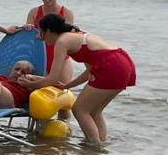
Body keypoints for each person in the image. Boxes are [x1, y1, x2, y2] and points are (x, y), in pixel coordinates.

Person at [35, 14, 136, 143]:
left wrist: (31, 84)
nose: (39, 37)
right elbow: (89, 72)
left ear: (49, 30)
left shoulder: (62, 41)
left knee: (79, 109)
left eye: (41, 33)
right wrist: (67, 86)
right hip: (123, 62)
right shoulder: (76, 35)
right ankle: (100, 145)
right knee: (94, 111)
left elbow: (52, 78)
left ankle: (94, 146)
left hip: (111, 65)